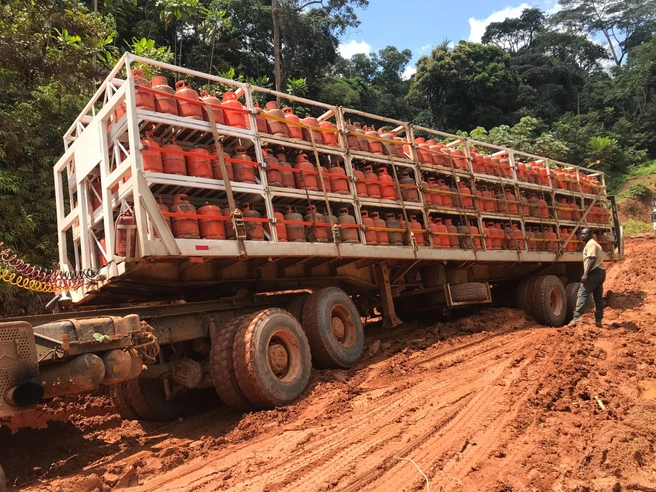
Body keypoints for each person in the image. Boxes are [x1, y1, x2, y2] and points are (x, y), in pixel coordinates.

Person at [569, 227, 606, 327]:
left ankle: (577, 317)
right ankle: (598, 320)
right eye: (581, 234)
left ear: (591, 234)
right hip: (601, 272)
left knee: (582, 293)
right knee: (598, 298)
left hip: (594, 272)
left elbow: (592, 258)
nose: (582, 236)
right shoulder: (595, 244)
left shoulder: (591, 244)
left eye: (584, 234)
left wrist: (586, 274)